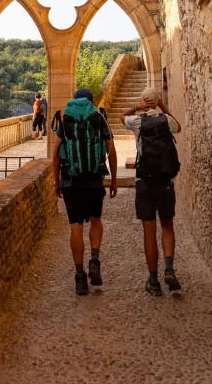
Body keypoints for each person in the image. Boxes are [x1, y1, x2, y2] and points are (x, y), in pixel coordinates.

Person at [53, 87, 118, 296]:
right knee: (96, 220)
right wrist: (113, 180)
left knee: (76, 227)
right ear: (91, 101)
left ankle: (80, 277)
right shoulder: (99, 119)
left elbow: (55, 155)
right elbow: (112, 151)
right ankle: (95, 261)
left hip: (71, 182)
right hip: (94, 181)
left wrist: (57, 182)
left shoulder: (66, 121)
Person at [120, 87, 182, 296]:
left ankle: (153, 281)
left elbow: (122, 117)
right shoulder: (166, 121)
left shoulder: (137, 121)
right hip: (165, 181)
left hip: (144, 182)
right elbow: (179, 127)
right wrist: (162, 107)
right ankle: (170, 268)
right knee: (167, 225)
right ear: (156, 102)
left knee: (149, 231)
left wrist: (136, 108)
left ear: (144, 101)